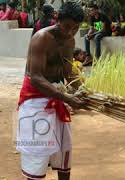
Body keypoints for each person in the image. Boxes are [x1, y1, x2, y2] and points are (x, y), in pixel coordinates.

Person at [16, 2, 85, 180]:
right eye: (67, 26)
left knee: (64, 149)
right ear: (57, 20)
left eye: (75, 28)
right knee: (37, 150)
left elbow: (68, 73)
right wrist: (67, 98)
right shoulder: (41, 38)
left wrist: (85, 91)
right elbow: (36, 77)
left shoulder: (70, 41)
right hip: (35, 99)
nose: (70, 32)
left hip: (58, 96)